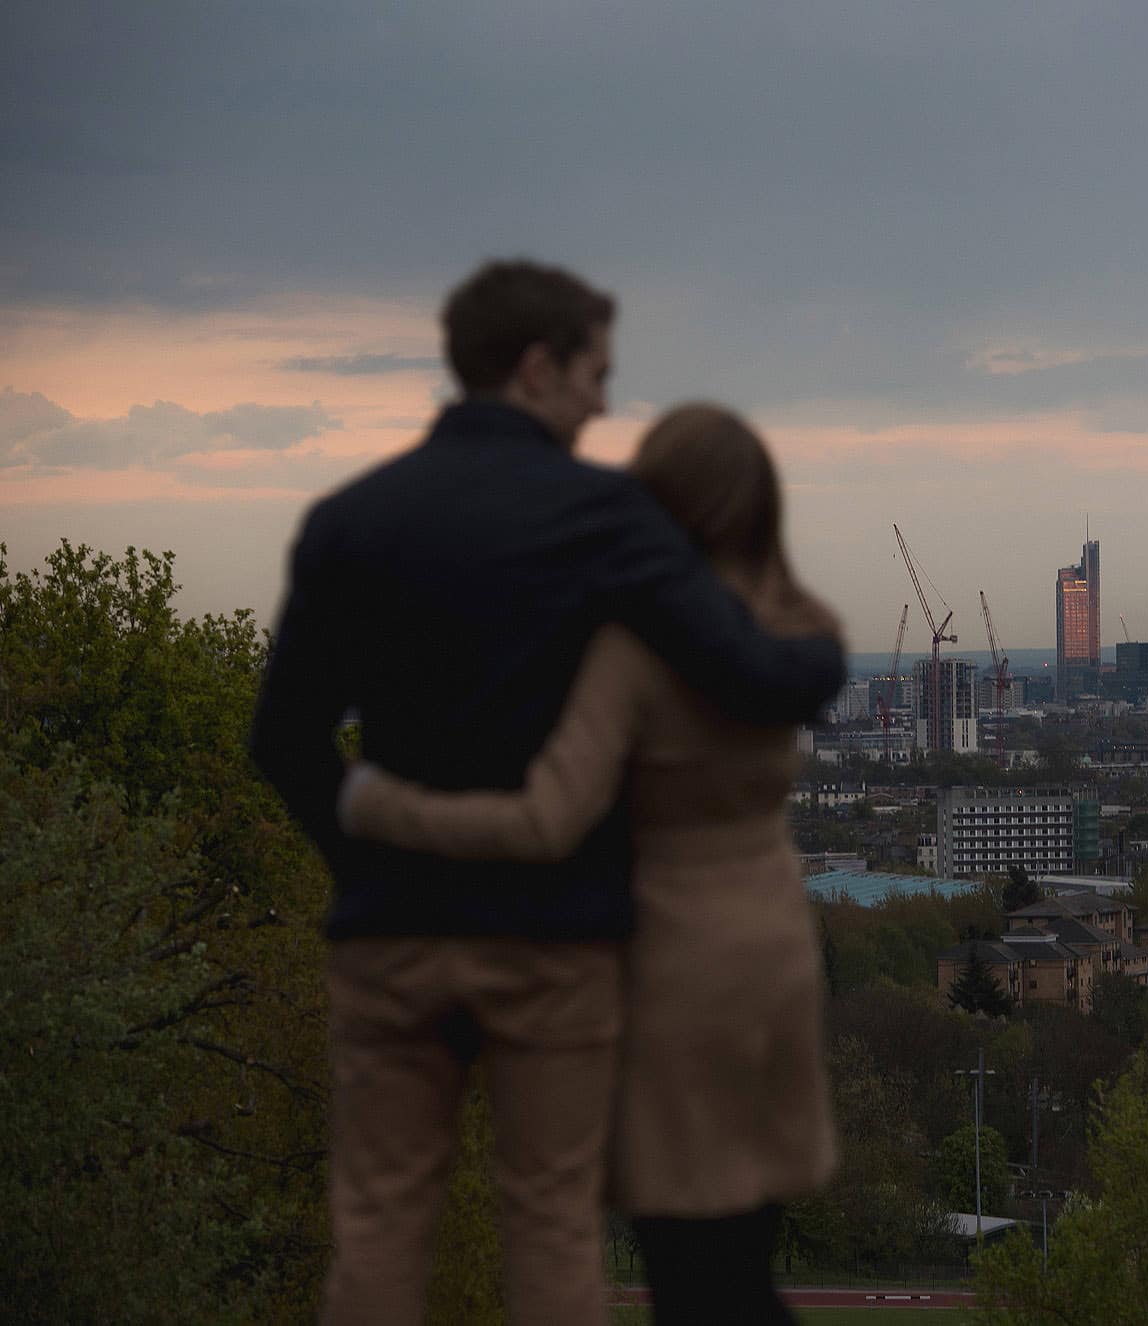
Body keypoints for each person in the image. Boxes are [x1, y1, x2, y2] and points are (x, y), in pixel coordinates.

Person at [249, 262, 845, 1326]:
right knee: (551, 1223)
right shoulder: (605, 519)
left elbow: (283, 738)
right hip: (552, 937)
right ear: (537, 368)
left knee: (380, 1223)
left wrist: (370, 860)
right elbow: (756, 673)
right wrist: (822, 651)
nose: (603, 405)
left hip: (390, 934)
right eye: (594, 375)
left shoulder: (351, 520)